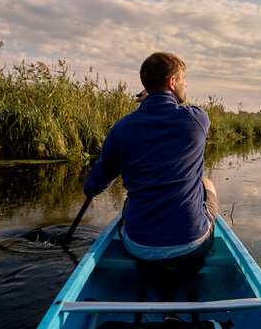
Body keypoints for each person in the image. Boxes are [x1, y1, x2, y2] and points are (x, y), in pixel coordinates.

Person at [83, 51, 218, 261]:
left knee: (130, 201)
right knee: (206, 183)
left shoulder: (121, 128)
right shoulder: (197, 120)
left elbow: (95, 185)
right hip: (190, 246)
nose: (185, 85)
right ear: (172, 82)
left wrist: (94, 187)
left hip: (138, 248)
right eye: (183, 79)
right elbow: (171, 114)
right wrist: (154, 97)